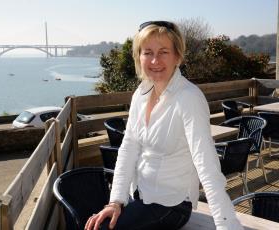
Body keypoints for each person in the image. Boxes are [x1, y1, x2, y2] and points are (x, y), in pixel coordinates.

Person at [85, 21, 243, 230]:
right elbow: (128, 148)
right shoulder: (141, 95)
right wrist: (116, 201)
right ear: (138, 57)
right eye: (147, 52)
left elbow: (206, 163)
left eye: (164, 52)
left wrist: (227, 224)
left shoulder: (188, 98)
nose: (155, 60)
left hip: (172, 205)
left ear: (177, 56)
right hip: (139, 197)